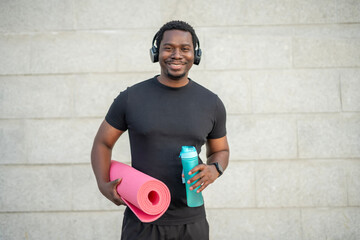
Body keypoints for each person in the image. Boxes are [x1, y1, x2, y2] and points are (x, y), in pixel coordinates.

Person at [91, 20, 229, 240]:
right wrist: (102, 183)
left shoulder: (211, 103)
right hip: (142, 221)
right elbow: (102, 143)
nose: (177, 55)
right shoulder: (131, 98)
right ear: (156, 52)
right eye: (168, 48)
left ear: (196, 54)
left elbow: (221, 150)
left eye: (185, 48)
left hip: (192, 223)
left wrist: (215, 169)